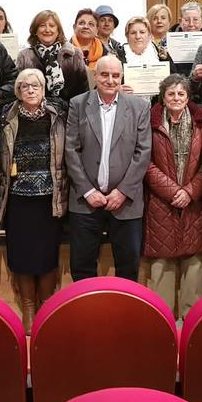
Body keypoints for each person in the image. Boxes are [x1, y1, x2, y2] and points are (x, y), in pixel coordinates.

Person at [65, 55, 152, 282]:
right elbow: (71, 150)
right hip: (85, 201)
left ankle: (123, 316)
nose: (110, 80)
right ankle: (87, 315)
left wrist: (123, 191)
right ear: (95, 76)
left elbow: (142, 153)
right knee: (82, 269)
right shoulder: (78, 104)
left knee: (128, 268)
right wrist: (87, 190)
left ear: (122, 76)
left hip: (126, 202)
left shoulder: (139, 107)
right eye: (104, 74)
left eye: (115, 75)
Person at [0, 68, 67, 334]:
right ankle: (28, 307)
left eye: (36, 85)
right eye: (24, 85)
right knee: (21, 254)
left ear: (44, 89)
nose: (30, 89)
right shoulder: (5, 117)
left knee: (47, 253)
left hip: (50, 197)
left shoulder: (58, 114)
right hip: (17, 198)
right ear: (17, 90)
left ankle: (46, 305)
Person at [144, 74, 202, 319]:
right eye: (171, 93)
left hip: (193, 201)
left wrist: (190, 191)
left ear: (188, 97)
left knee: (193, 262)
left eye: (181, 94)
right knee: (161, 261)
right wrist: (174, 191)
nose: (176, 98)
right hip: (161, 200)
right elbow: (146, 163)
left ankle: (190, 323)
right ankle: (162, 322)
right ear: (163, 97)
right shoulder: (150, 121)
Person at [15, 10, 89, 103]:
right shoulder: (24, 56)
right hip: (35, 112)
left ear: (58, 31)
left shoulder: (74, 54)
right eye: (42, 25)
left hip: (70, 112)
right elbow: (18, 91)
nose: (47, 29)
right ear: (35, 31)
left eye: (52, 26)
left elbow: (83, 90)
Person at [71, 8, 106, 72]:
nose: (86, 27)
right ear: (74, 27)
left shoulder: (107, 55)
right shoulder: (63, 52)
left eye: (91, 24)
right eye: (81, 23)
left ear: (97, 30)